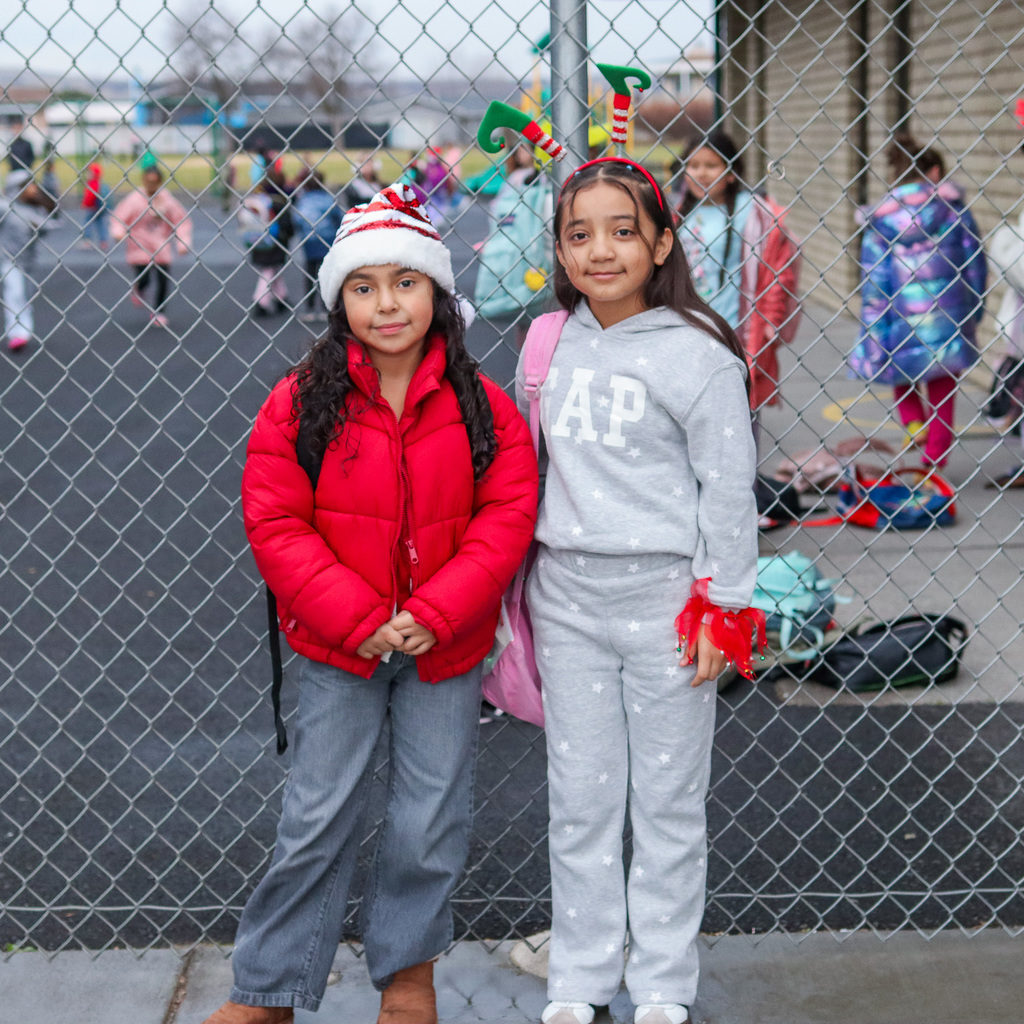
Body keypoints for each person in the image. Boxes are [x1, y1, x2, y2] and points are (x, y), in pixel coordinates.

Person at [201, 182, 538, 1024]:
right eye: (363, 286)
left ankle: (409, 974)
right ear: (338, 300)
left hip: (443, 648)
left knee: (429, 818)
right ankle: (269, 989)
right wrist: (360, 615)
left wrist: (436, 611)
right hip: (337, 647)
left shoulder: (484, 410)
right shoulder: (297, 404)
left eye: (405, 282)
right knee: (316, 817)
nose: (386, 304)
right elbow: (275, 520)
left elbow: (507, 517)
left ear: (437, 291)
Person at [522, 157, 761, 1024]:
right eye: (579, 234)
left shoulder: (700, 355)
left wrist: (722, 608)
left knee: (666, 807)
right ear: (558, 248)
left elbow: (729, 491)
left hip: (668, 608)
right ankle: (581, 978)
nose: (601, 250)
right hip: (567, 606)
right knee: (580, 802)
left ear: (662, 241)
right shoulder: (549, 342)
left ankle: (662, 983)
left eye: (624, 231)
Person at [850, 134, 987, 469]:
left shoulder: (881, 221)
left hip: (900, 316)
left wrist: (874, 318)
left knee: (900, 372)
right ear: (936, 171)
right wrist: (975, 307)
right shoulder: (954, 212)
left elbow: (874, 277)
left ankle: (914, 425)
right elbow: (975, 263)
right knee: (943, 385)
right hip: (947, 316)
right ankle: (933, 462)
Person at [677, 130, 800, 450]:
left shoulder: (754, 211)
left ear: (731, 173)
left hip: (734, 336)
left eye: (711, 165)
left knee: (737, 427)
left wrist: (770, 321)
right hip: (685, 337)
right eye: (692, 165)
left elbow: (778, 269)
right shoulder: (678, 212)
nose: (700, 173)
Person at [110, 166, 193, 329]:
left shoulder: (167, 201)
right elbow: (119, 217)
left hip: (161, 246)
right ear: (143, 181)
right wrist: (118, 232)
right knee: (144, 277)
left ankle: (159, 312)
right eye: (148, 182)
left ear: (160, 182)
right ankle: (139, 288)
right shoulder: (134, 200)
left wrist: (183, 242)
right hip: (139, 246)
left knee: (163, 280)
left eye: (155, 182)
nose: (151, 186)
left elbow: (181, 220)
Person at [0, 168, 56, 351]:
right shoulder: (6, 208)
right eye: (27, 186)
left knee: (26, 294)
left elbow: (52, 225)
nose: (32, 188)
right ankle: (17, 333)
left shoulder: (36, 209)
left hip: (29, 260)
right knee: (13, 293)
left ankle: (23, 329)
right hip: (8, 257)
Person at [238, 169, 294, 318]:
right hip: (275, 241)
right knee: (269, 270)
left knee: (273, 269)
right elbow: (286, 224)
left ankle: (282, 298)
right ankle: (260, 300)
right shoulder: (279, 201)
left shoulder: (258, 198)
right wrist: (289, 234)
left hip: (257, 239)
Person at [291, 169, 341, 321]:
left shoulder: (303, 200)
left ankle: (310, 308)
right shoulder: (328, 199)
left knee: (310, 272)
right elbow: (337, 217)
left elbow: (297, 220)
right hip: (327, 239)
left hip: (309, 240)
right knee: (327, 273)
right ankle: (328, 306)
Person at [81, 154, 110, 250]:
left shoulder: (92, 184)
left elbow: (89, 197)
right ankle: (103, 241)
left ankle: (87, 240)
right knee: (101, 225)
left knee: (87, 224)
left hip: (92, 208)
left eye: (89, 172)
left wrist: (85, 204)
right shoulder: (100, 183)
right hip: (100, 208)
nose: (87, 174)